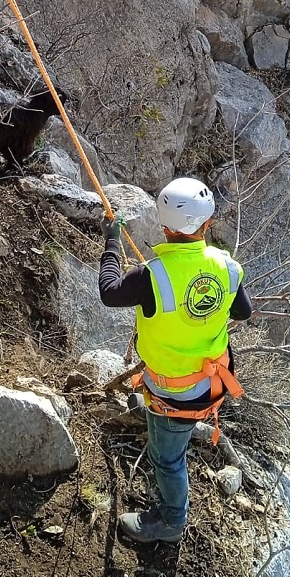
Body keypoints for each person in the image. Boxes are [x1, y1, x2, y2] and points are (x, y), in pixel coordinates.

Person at [98, 176, 251, 544]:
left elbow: (108, 292)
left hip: (174, 396)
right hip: (209, 383)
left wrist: (112, 240)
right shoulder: (227, 267)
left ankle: (171, 522)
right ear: (207, 224)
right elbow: (243, 312)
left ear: (164, 226)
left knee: (167, 460)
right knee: (171, 442)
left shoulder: (150, 276)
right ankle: (160, 425)